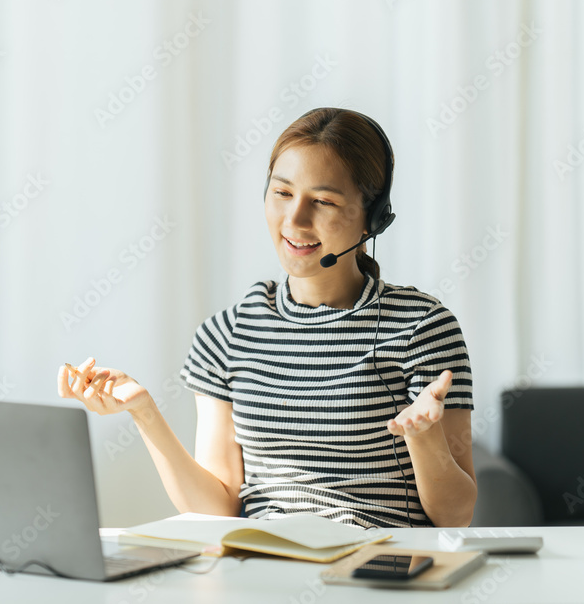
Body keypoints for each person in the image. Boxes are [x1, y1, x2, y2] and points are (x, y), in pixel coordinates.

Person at [57, 107, 477, 528]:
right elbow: (217, 507)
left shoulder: (423, 327)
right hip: (262, 566)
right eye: (282, 193)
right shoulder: (225, 335)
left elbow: (455, 516)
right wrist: (143, 412)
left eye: (324, 201)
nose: (294, 220)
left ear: (373, 219)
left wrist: (425, 439)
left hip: (371, 569)